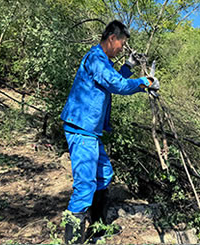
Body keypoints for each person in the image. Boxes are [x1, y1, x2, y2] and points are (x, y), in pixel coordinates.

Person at [60, 20, 159, 243]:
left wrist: (129, 67)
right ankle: (72, 241)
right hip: (81, 128)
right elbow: (115, 84)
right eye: (122, 44)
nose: (122, 49)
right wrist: (145, 82)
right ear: (112, 38)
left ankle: (98, 229)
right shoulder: (95, 58)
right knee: (85, 186)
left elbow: (115, 80)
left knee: (103, 175)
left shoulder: (103, 61)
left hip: (91, 131)